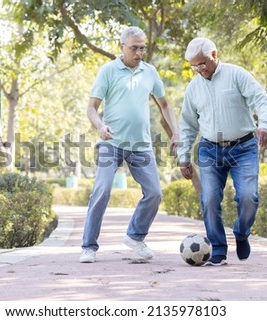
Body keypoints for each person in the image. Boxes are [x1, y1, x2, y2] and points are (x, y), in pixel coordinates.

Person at [80, 26, 179, 263]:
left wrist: (175, 133)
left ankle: (135, 236)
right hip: (111, 142)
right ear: (121, 46)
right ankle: (88, 247)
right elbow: (91, 108)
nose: (139, 53)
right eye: (134, 48)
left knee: (154, 193)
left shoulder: (150, 72)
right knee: (102, 190)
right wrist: (100, 127)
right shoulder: (108, 71)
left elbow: (164, 105)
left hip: (141, 145)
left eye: (142, 48)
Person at [177, 38, 267, 266]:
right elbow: (188, 125)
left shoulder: (236, 75)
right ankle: (218, 248)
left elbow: (261, 100)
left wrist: (265, 124)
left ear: (214, 54)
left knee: (248, 197)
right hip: (210, 149)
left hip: (244, 148)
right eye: (194, 66)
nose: (199, 69)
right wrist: (184, 156)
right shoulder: (193, 88)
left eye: (202, 63)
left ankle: (241, 232)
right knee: (209, 198)